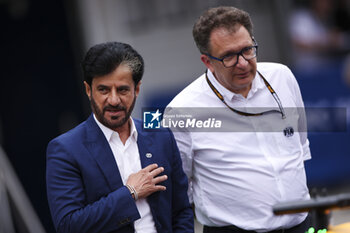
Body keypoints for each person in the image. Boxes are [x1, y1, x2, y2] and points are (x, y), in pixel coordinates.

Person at [166, 6, 312, 233]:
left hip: (301, 225)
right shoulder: (182, 110)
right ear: (207, 61)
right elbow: (179, 186)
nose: (243, 63)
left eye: (247, 50)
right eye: (229, 56)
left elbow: (300, 148)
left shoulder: (282, 77)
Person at [46, 42, 194, 233]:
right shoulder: (65, 149)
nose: (114, 100)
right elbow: (68, 225)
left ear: (137, 89)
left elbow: (181, 211)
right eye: (104, 90)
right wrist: (130, 193)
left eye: (123, 90)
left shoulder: (160, 136)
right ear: (88, 90)